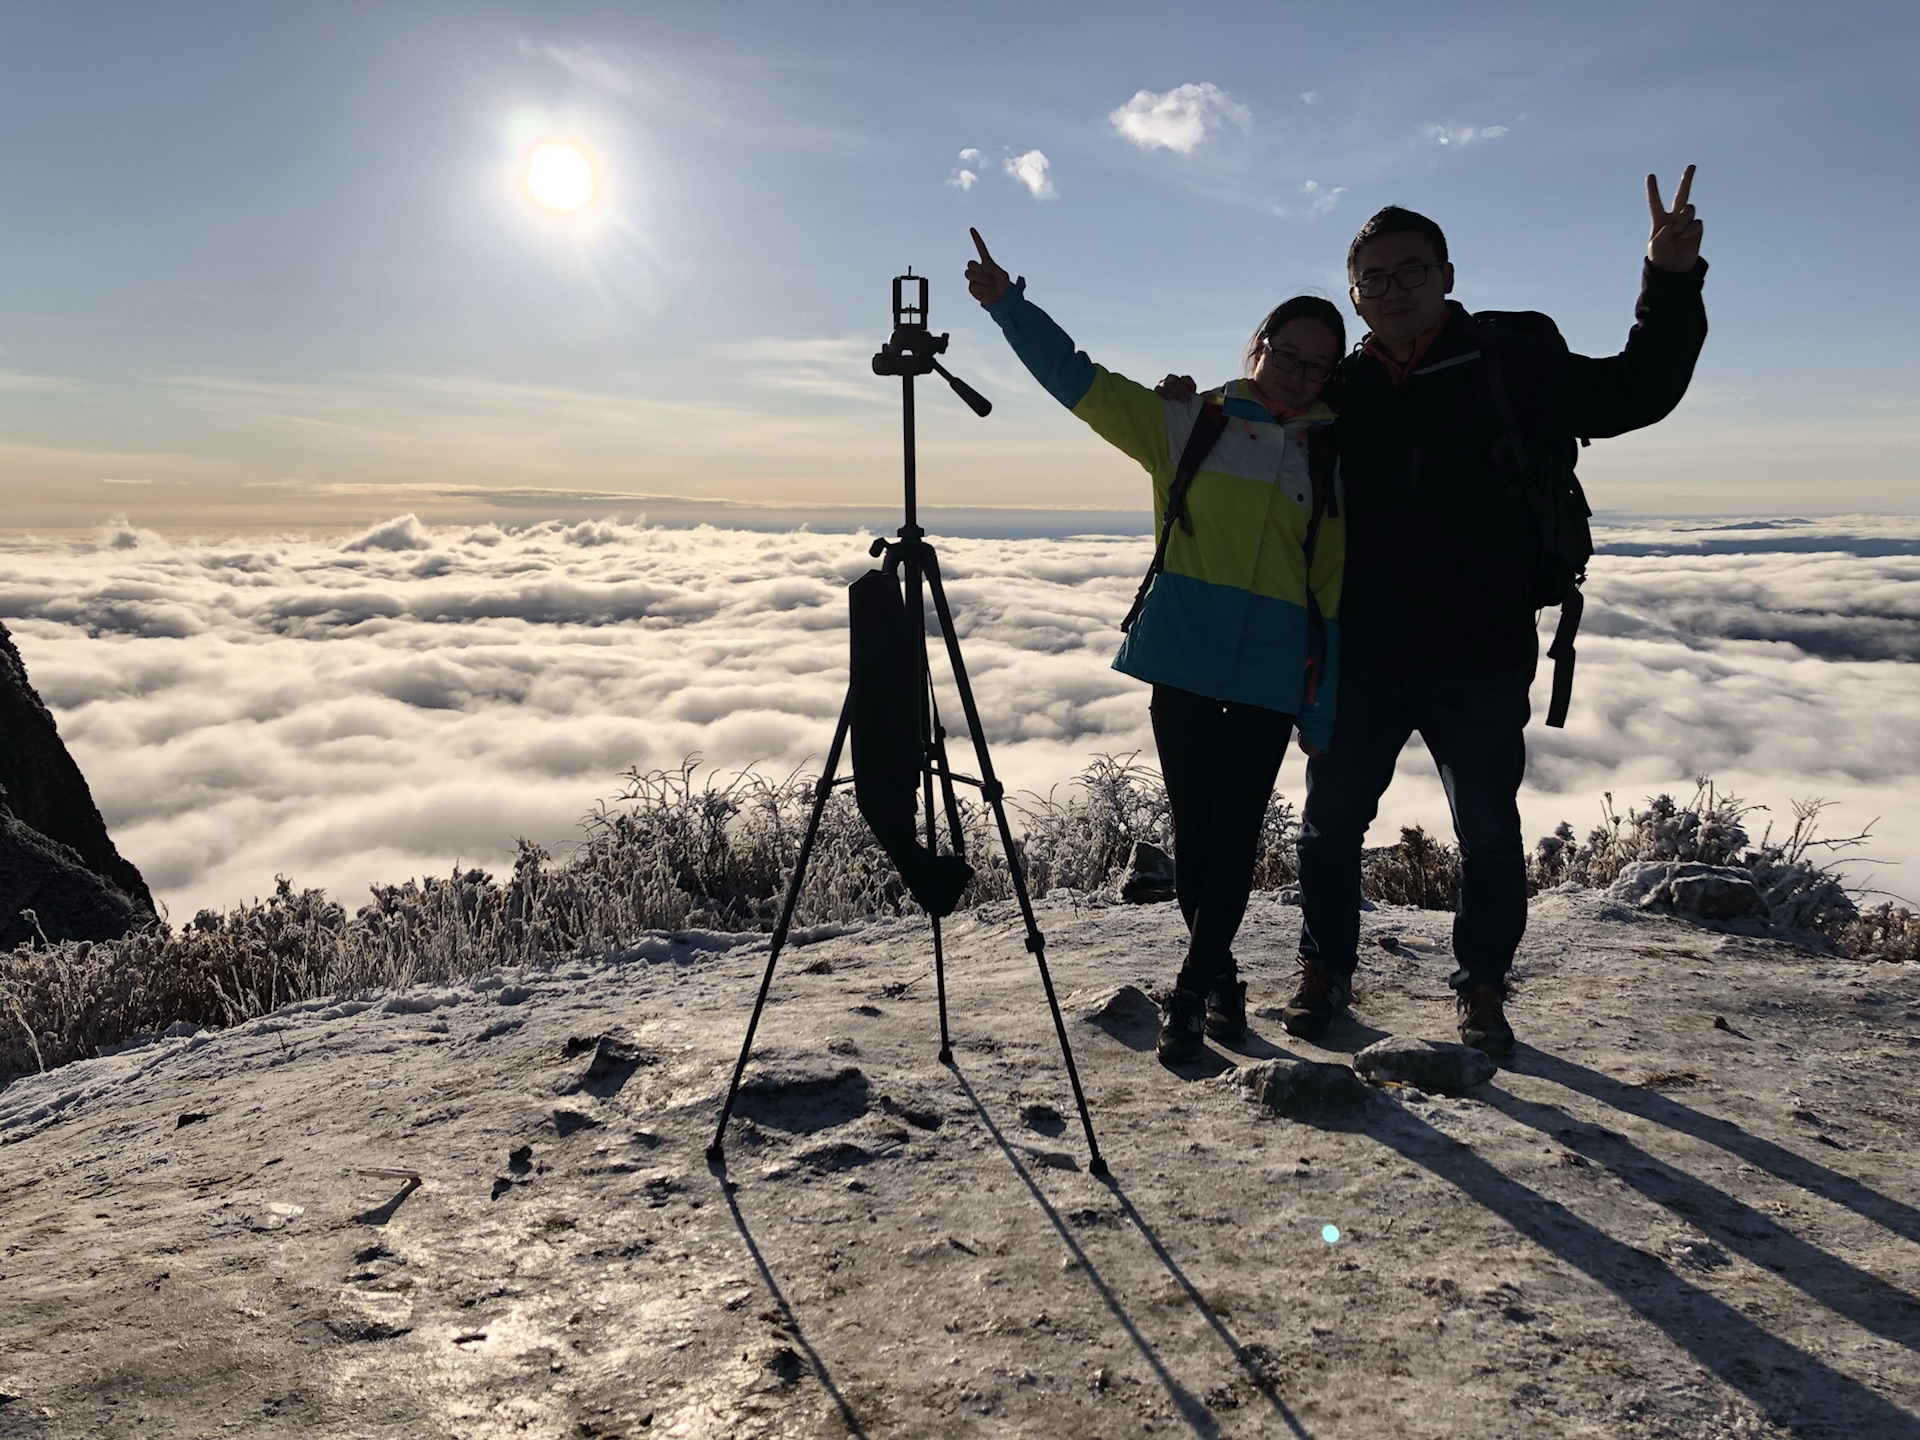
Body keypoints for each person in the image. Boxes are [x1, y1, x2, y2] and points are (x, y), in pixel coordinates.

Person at [1275, 168, 1709, 1059]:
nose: (1393, 290)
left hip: (1479, 648)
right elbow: (1259, 430)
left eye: (1410, 271)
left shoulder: (1511, 360)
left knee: (1487, 829)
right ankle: (1325, 966)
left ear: (1447, 274)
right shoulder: (1343, 389)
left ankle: (1480, 985)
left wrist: (1667, 282)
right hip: (1364, 647)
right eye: (1375, 279)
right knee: (1328, 824)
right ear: (1356, 295)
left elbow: (1636, 391)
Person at [964, 228, 1345, 1064]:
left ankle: (1191, 987)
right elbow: (1080, 381)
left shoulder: (1332, 457)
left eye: (1320, 366)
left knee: (1237, 832)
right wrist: (1008, 307)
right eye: (1290, 355)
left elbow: (1333, 591)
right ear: (1260, 347)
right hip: (1180, 655)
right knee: (1197, 833)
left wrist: (1324, 700)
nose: (1301, 375)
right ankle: (1225, 981)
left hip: (1269, 670)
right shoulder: (1187, 423)